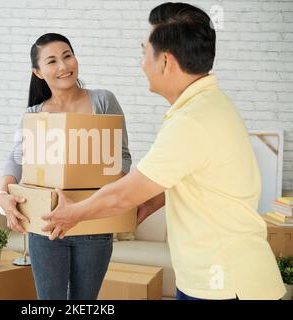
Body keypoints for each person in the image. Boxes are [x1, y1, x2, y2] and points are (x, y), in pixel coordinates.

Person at [42, 3, 286, 300]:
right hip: (217, 280)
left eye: (144, 52)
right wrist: (153, 199)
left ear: (166, 61)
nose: (142, 62)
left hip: (224, 285)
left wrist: (72, 214)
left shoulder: (191, 121)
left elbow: (123, 194)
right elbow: (200, 179)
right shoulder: (208, 104)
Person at [0, 33, 132, 300]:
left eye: (67, 55)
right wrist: (3, 194)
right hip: (47, 225)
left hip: (93, 222)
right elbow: (16, 158)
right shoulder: (35, 114)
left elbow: (123, 157)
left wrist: (99, 195)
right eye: (52, 61)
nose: (63, 66)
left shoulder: (103, 101)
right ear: (38, 72)